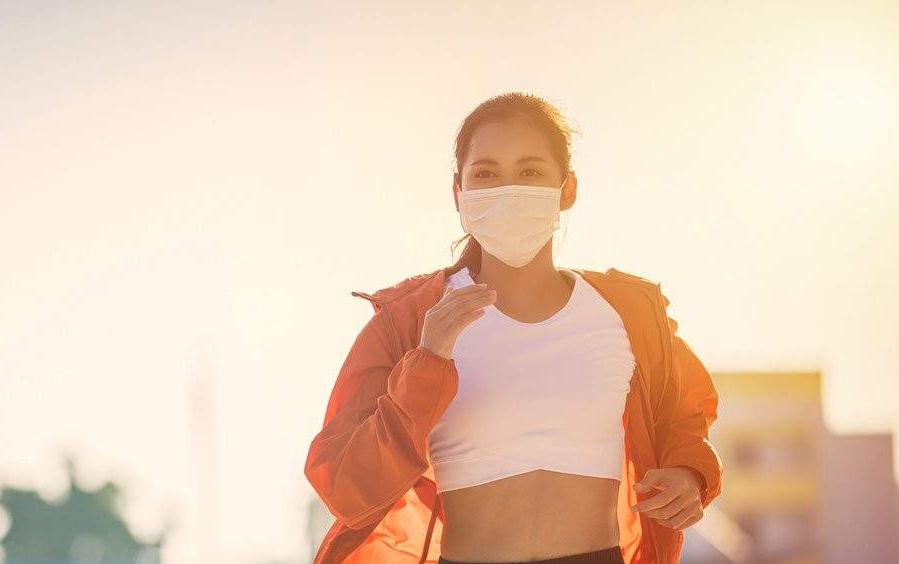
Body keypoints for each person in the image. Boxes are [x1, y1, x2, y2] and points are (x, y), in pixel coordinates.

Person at [304, 92, 722, 564]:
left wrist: (689, 474)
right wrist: (428, 361)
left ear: (567, 190)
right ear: (458, 192)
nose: (507, 190)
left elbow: (685, 415)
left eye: (530, 171)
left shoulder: (629, 313)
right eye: (485, 173)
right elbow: (345, 485)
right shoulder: (411, 320)